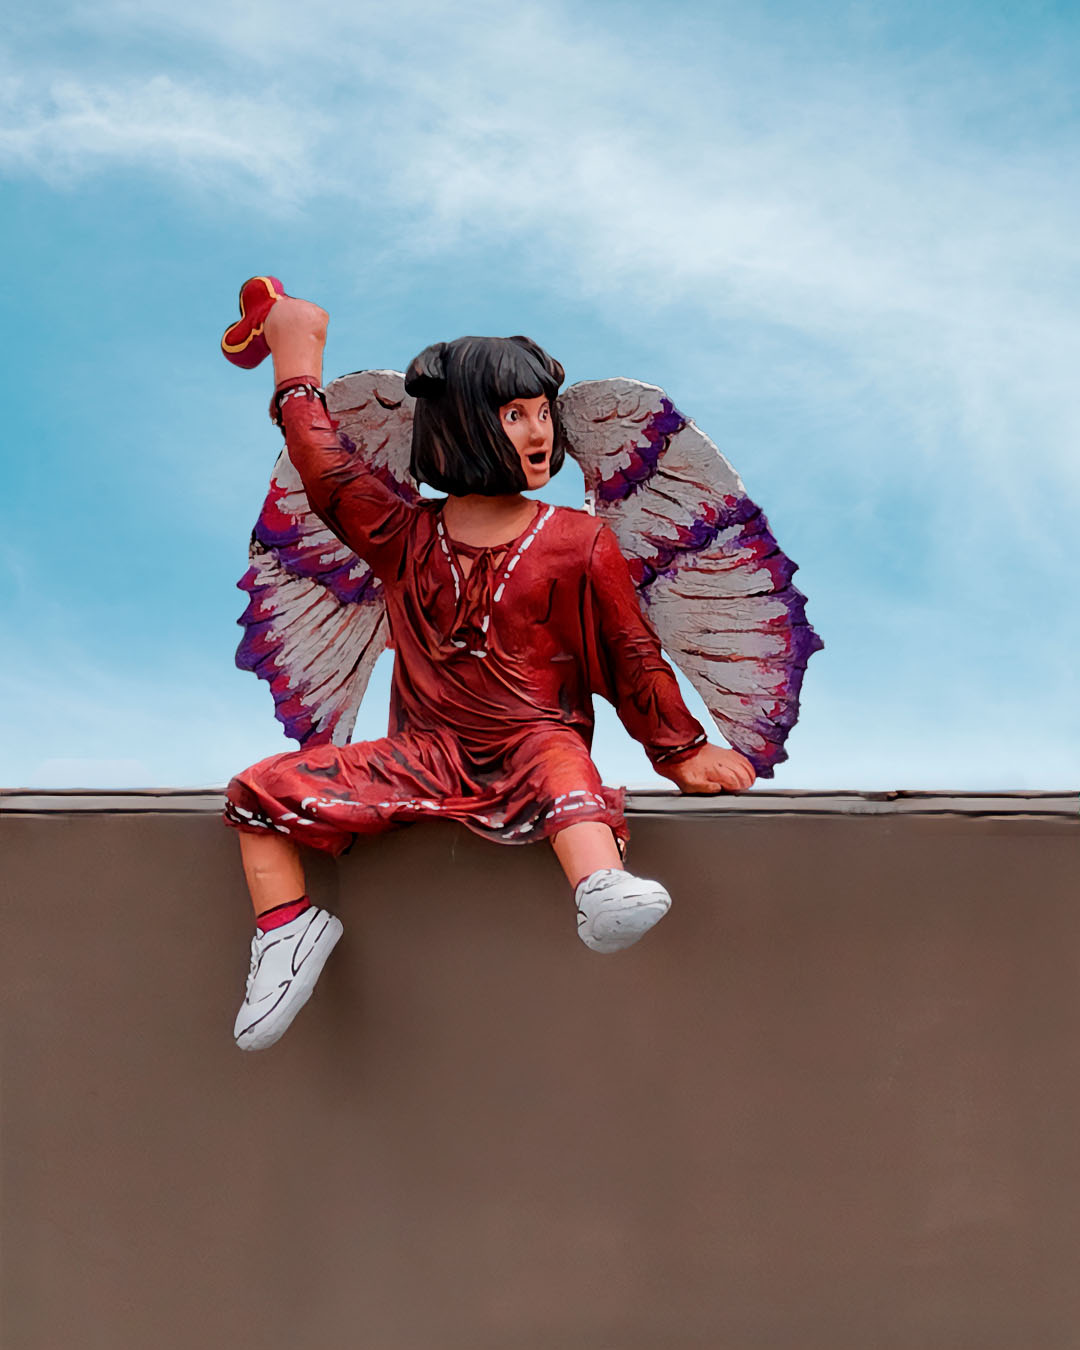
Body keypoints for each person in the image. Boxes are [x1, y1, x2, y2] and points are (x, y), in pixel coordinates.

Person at [223, 292, 756, 1051]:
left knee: (562, 766)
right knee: (257, 791)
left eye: (542, 412)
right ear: (459, 425)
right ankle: (286, 933)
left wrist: (680, 749)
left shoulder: (580, 541)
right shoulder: (403, 534)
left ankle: (600, 888)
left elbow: (632, 652)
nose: (538, 432)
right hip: (425, 757)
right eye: (515, 415)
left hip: (537, 742)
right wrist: (296, 367)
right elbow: (326, 469)